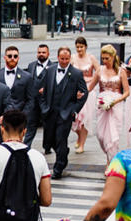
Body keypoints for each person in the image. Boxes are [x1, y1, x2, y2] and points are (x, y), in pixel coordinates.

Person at [38, 46, 89, 179]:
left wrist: (74, 110)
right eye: (62, 59)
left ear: (70, 58)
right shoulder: (50, 71)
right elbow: (42, 91)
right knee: (50, 140)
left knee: (61, 140)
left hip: (65, 113)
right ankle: (63, 153)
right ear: (57, 57)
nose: (64, 61)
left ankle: (58, 168)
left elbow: (84, 93)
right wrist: (44, 107)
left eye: (67, 59)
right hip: (50, 111)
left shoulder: (76, 73)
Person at [91, 44, 130, 165]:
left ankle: (111, 161)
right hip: (102, 105)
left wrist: (115, 101)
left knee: (113, 135)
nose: (104, 61)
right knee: (101, 135)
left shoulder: (121, 71)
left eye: (107, 58)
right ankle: (108, 154)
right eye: (103, 58)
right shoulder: (99, 70)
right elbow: (90, 87)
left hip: (116, 105)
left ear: (113, 57)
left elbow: (127, 92)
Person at [70, 37, 100, 154]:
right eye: (77, 47)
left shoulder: (91, 58)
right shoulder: (73, 58)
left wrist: (93, 83)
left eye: (81, 47)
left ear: (85, 47)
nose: (79, 49)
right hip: (76, 90)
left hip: (89, 89)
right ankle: (79, 136)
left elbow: (99, 71)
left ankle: (82, 143)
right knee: (75, 119)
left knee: (85, 118)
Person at [25, 44, 53, 150]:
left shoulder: (53, 67)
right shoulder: (31, 65)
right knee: (31, 124)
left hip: (45, 101)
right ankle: (26, 146)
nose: (41, 54)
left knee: (47, 125)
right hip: (32, 101)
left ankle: (47, 146)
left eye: (43, 52)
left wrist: (47, 89)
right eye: (39, 52)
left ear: (48, 54)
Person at [0, 45, 36, 114]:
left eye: (15, 56)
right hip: (0, 117)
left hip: (20, 117)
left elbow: (31, 100)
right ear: (5, 57)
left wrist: (22, 116)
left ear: (18, 58)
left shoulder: (27, 76)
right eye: (9, 56)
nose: (12, 58)